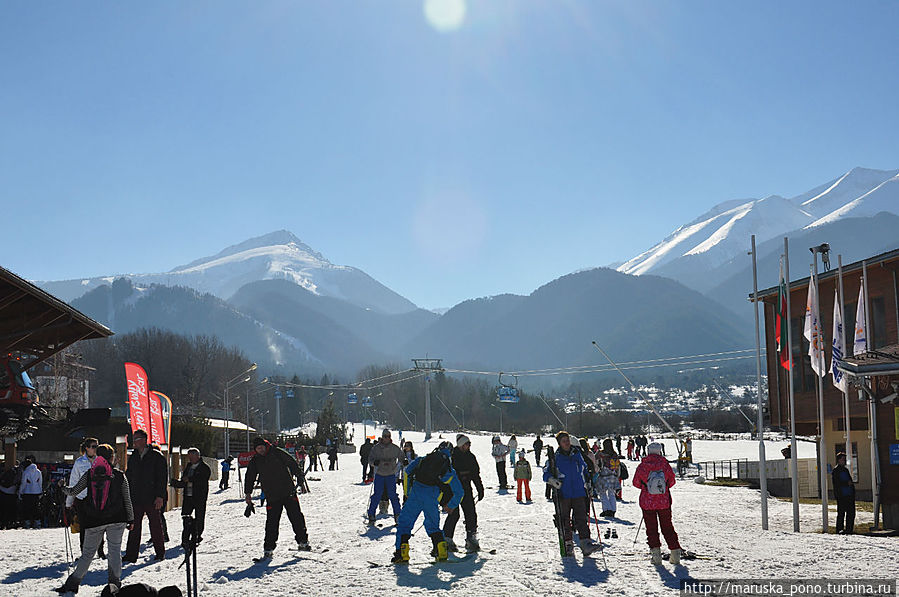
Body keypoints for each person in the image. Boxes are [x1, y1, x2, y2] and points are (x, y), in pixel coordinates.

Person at [55, 444, 134, 595]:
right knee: (114, 551)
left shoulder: (89, 474)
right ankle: (114, 585)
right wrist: (130, 519)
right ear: (111, 457)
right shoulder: (119, 475)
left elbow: (74, 491)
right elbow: (127, 499)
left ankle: (73, 583)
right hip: (117, 518)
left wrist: (62, 488)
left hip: (94, 519)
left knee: (88, 554)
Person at [391, 442, 463, 563]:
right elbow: (460, 492)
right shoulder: (449, 469)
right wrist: (451, 506)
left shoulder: (423, 459)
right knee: (433, 525)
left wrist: (407, 493)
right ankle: (441, 552)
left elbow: (407, 472)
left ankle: (401, 554)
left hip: (416, 493)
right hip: (432, 496)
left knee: (404, 524)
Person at [244, 437, 310, 559]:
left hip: (288, 491)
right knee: (272, 522)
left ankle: (303, 542)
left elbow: (292, 463)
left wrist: (299, 476)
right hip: (272, 495)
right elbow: (250, 477)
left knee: (296, 517)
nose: (260, 450)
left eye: (261, 447)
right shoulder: (256, 460)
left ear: (265, 445)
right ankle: (268, 548)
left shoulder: (277, 452)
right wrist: (248, 494)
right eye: (258, 449)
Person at [543, 432, 599, 556]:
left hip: (579, 491)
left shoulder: (577, 454)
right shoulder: (555, 457)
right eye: (564, 441)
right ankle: (568, 543)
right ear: (559, 443)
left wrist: (588, 484)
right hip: (564, 492)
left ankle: (586, 543)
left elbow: (584, 470)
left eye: (567, 440)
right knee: (564, 520)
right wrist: (552, 480)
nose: (566, 443)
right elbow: (546, 472)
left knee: (581, 518)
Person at [123, 429, 168, 563]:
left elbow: (162, 478)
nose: (134, 442)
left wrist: (160, 496)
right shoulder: (133, 457)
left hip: (152, 497)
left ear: (144, 440)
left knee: (155, 525)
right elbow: (129, 476)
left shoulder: (157, 456)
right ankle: (131, 555)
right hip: (136, 497)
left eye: (136, 439)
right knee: (134, 526)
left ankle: (160, 553)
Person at [633, 442, 681, 565]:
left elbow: (636, 483)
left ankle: (656, 556)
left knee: (652, 529)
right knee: (667, 527)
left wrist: (646, 487)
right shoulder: (665, 465)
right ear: (660, 451)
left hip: (647, 503)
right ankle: (675, 554)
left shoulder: (643, 466)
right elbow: (671, 481)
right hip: (664, 501)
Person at [442, 434, 484, 552]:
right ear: (461, 445)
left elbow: (475, 475)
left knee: (471, 513)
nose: (468, 446)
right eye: (466, 444)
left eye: (469, 444)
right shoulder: (452, 456)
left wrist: (480, 489)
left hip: (466, 489)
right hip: (452, 491)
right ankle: (447, 538)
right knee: (454, 514)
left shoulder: (471, 457)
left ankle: (471, 538)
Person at [67, 438, 106, 558]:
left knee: (99, 526)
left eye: (97, 446)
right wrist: (69, 502)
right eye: (93, 446)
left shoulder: (101, 460)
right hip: (83, 498)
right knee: (84, 526)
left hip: (98, 498)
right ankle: (85, 552)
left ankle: (100, 551)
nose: (95, 449)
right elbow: (73, 482)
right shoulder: (79, 463)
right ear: (87, 448)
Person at [170, 447, 211, 552]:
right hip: (188, 496)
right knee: (185, 516)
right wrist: (177, 483)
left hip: (199, 496)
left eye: (192, 457)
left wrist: (190, 479)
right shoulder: (188, 466)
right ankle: (186, 536)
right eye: (189, 457)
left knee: (199, 517)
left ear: (198, 456)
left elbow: (202, 479)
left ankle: (197, 535)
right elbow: (184, 480)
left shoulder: (204, 467)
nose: (190, 459)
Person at [366, 429, 403, 525]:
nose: (387, 438)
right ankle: (371, 514)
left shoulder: (395, 448)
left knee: (393, 495)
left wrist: (404, 461)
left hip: (390, 474)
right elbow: (370, 459)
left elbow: (401, 457)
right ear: (382, 437)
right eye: (385, 436)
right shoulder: (376, 448)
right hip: (379, 474)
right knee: (377, 495)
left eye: (388, 436)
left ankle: (398, 515)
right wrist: (374, 463)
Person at [832, 452, 855, 535]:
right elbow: (836, 483)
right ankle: (839, 529)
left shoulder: (845, 470)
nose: (844, 461)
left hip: (849, 495)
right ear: (838, 460)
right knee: (841, 513)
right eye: (842, 459)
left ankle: (849, 529)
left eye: (845, 459)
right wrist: (846, 483)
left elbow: (850, 480)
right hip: (841, 495)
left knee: (851, 513)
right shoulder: (836, 470)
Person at [597, 439, 620, 517]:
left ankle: (606, 509)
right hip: (613, 475)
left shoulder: (601, 453)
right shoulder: (614, 454)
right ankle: (613, 510)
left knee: (602, 493)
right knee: (611, 493)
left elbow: (595, 460)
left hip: (603, 475)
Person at [18, 456, 43, 529]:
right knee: (36, 508)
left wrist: (20, 492)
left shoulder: (26, 472)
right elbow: (40, 482)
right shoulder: (38, 471)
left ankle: (27, 522)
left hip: (27, 492)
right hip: (37, 492)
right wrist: (40, 491)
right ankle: (37, 522)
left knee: (27, 508)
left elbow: (23, 483)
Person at [0, 460, 20, 529]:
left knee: (3, 509)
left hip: (3, 491)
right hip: (13, 493)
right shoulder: (17, 472)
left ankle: (3, 523)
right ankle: (11, 522)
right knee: (11, 509)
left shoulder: (5, 471)